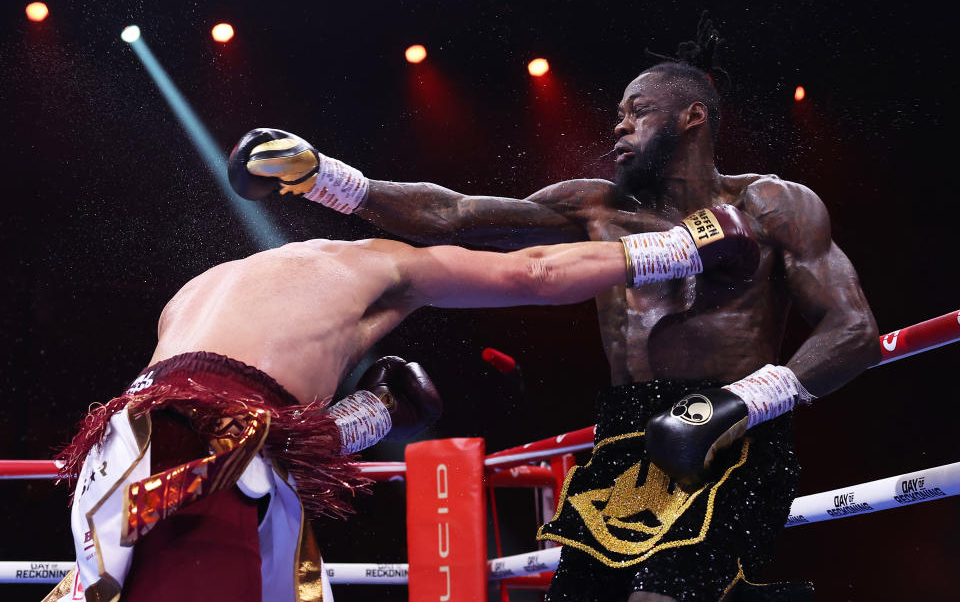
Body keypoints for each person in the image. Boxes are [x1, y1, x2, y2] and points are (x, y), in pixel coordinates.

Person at [237, 29, 880, 600]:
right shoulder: (594, 207)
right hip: (624, 437)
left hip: (733, 431)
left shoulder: (776, 205)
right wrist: (327, 178)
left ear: (693, 117)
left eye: (638, 113)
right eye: (618, 115)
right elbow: (454, 215)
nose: (619, 127)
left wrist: (743, 402)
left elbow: (853, 330)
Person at [45, 166, 758, 602]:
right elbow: (533, 272)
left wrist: (375, 413)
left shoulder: (210, 289)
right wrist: (684, 244)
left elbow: (254, 428)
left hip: (125, 466)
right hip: (198, 466)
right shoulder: (374, 263)